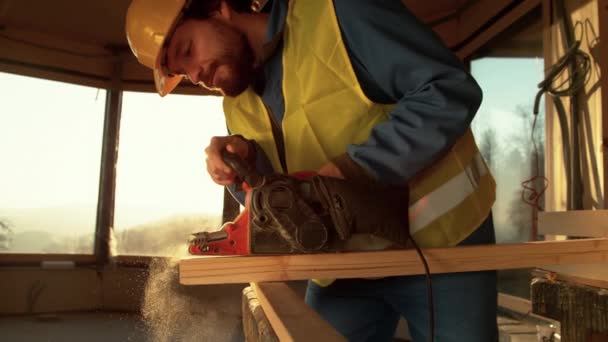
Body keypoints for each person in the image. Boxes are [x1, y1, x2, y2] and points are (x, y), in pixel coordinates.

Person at [125, 0, 498, 340]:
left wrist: (357, 169)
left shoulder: (339, 14)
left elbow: (447, 91)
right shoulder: (236, 100)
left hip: (442, 249)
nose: (197, 74)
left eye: (187, 50)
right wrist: (245, 169)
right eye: (184, 72)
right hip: (340, 266)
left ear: (217, 8)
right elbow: (282, 202)